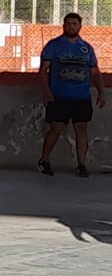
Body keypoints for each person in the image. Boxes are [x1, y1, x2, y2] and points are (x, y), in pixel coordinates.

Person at [38, 12, 106, 177]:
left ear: (80, 26)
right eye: (68, 23)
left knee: (81, 130)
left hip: (81, 97)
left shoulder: (86, 48)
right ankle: (44, 160)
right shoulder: (54, 45)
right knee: (55, 128)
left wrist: (101, 92)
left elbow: (95, 72)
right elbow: (43, 71)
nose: (71, 26)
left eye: (74, 23)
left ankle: (81, 164)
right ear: (63, 25)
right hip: (59, 96)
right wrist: (47, 92)